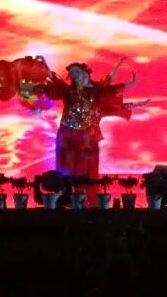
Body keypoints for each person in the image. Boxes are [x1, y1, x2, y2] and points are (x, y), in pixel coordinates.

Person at [38, 58, 146, 198]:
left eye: (76, 71)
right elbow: (53, 79)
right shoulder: (68, 90)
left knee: (86, 170)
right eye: (71, 73)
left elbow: (110, 87)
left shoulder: (96, 92)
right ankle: (67, 200)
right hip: (67, 134)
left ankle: (87, 200)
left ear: (85, 73)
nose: (73, 75)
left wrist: (128, 82)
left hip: (86, 136)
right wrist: (43, 65)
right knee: (66, 169)